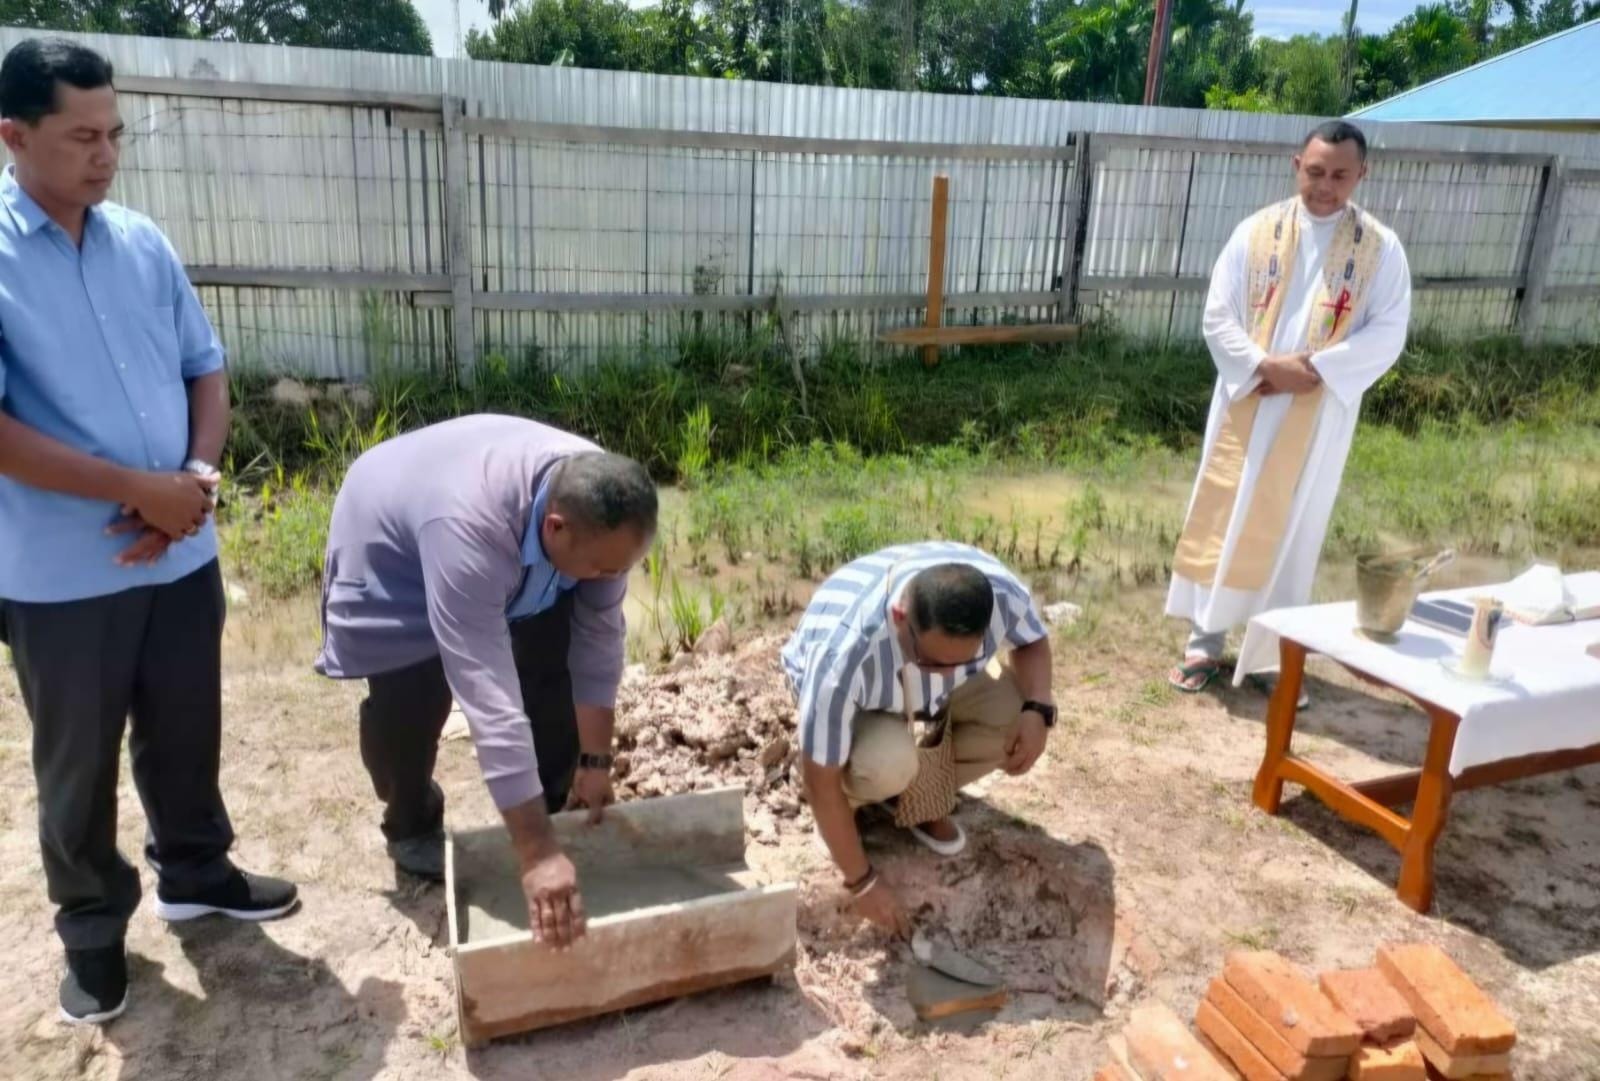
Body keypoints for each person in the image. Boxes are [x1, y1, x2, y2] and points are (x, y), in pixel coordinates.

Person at [0, 39, 298, 1027]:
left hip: (181, 550)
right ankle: (91, 932)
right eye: (81, 136)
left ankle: (198, 872)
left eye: (115, 133)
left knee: (185, 728)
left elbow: (203, 369)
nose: (105, 154)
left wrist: (197, 480)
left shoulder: (141, 242)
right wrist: (137, 486)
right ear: (14, 137)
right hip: (60, 571)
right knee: (75, 762)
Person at [315, 415, 656, 950]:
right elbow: (489, 699)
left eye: (622, 569)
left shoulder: (604, 509)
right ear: (556, 526)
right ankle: (411, 823)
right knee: (412, 701)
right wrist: (537, 855)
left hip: (500, 533)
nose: (612, 579)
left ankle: (545, 805)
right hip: (395, 540)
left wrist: (595, 761)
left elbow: (598, 645)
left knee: (553, 672)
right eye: (602, 569)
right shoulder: (469, 531)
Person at [1166, 120, 1412, 700]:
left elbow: (1389, 331)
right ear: (1295, 164)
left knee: (1293, 526)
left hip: (1317, 413)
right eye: (1316, 171)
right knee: (1227, 514)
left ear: (1362, 175)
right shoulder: (1256, 233)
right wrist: (1263, 367)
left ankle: (1273, 652)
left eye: (1340, 175)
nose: (1325, 186)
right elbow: (1217, 314)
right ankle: (1206, 640)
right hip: (1249, 398)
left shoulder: (1381, 249)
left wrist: (1315, 372)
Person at [783, 541, 1057, 937]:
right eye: (931, 661)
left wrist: (1038, 708)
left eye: (963, 661)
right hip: (866, 693)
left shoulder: (1000, 594)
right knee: (886, 763)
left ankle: (916, 796)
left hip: (904, 675)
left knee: (1014, 714)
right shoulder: (844, 655)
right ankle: (859, 800)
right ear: (900, 616)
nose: (944, 676)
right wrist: (863, 882)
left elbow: (1031, 639)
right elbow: (819, 781)